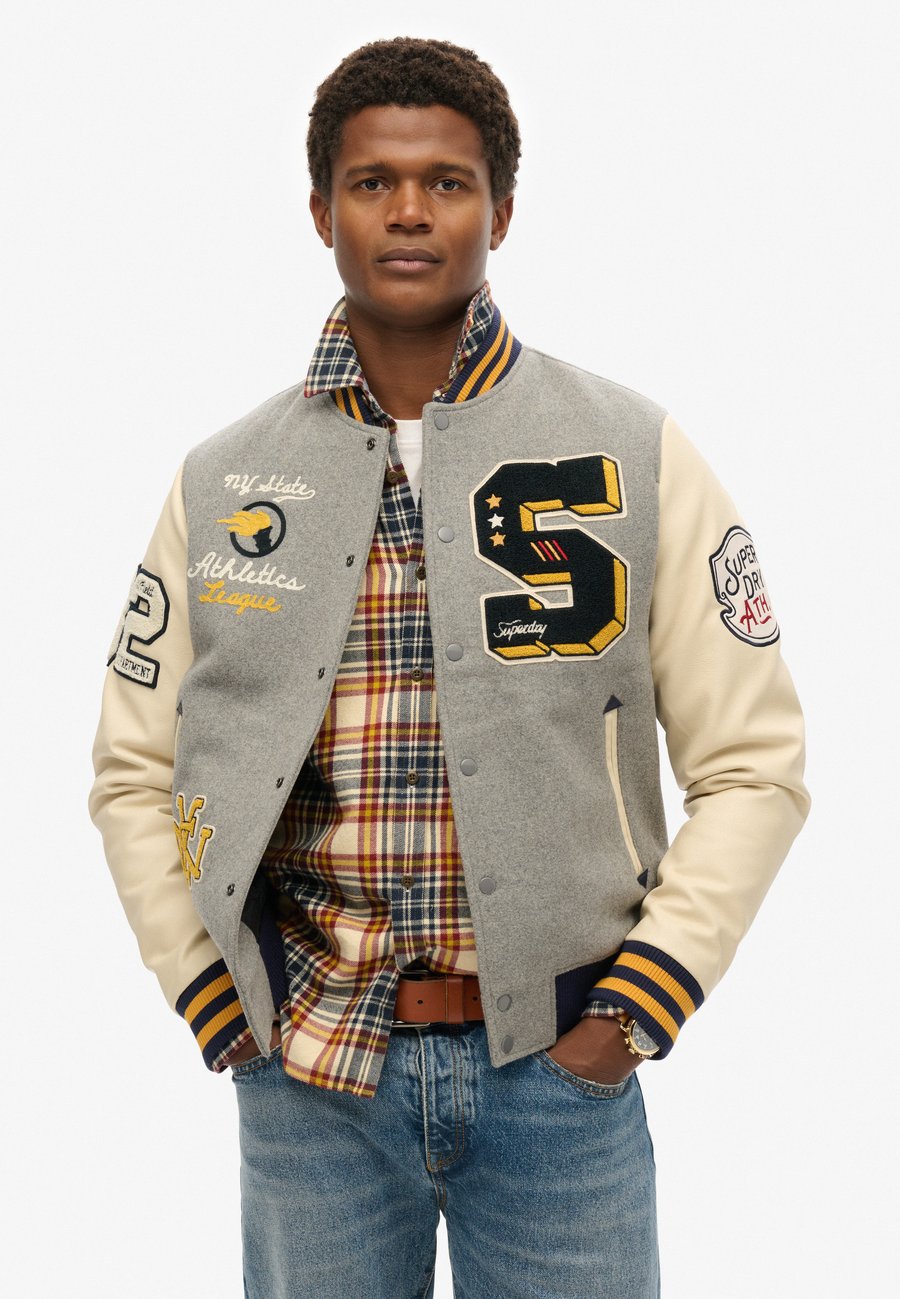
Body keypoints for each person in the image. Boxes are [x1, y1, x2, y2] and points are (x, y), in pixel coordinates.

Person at [89, 36, 809, 1299]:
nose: (410, 211)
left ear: (502, 212)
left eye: (448, 182)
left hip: (561, 1073)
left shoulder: (633, 451)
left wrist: (634, 1010)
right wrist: (208, 990)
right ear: (321, 211)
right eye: (372, 182)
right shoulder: (225, 480)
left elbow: (755, 764)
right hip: (308, 1076)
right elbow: (132, 770)